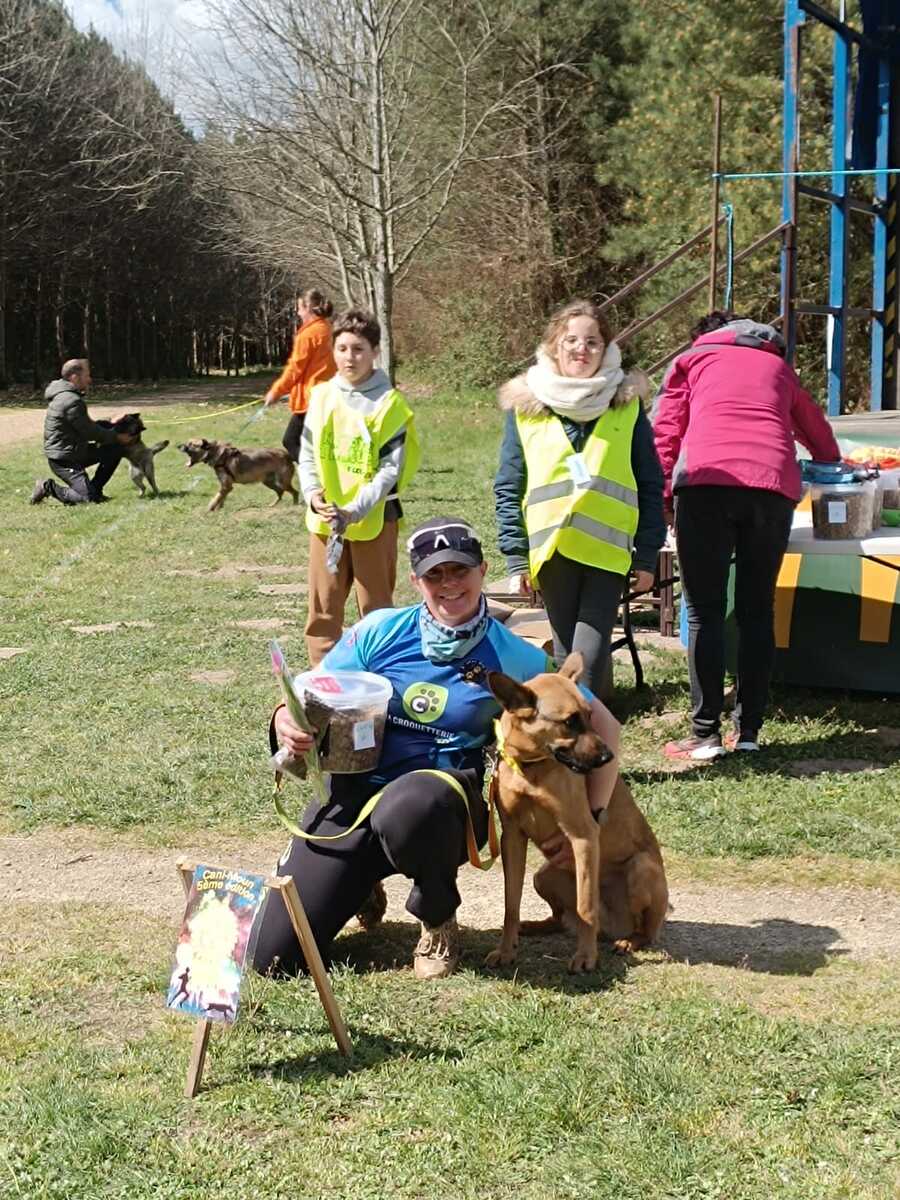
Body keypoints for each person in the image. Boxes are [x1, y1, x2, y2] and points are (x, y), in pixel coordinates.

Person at [253, 516, 622, 981]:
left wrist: (593, 816)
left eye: (460, 570)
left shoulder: (513, 655)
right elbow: (312, 690)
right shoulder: (381, 630)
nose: (449, 584)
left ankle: (437, 916)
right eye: (434, 574)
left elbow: (603, 725)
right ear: (415, 581)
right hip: (356, 793)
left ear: (482, 571)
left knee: (413, 804)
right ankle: (362, 882)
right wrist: (285, 718)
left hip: (439, 802)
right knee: (271, 957)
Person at [652, 311, 842, 760]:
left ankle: (704, 734)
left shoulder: (691, 360)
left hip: (705, 485)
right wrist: (832, 462)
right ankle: (750, 731)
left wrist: (662, 497)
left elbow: (665, 431)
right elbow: (817, 431)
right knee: (758, 611)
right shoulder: (777, 367)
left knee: (704, 612)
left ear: (706, 337)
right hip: (770, 489)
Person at [494, 299, 666, 698]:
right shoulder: (525, 408)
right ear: (554, 345)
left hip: (608, 553)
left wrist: (646, 556)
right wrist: (516, 557)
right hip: (553, 554)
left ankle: (587, 729)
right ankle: (590, 718)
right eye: (570, 340)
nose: (581, 349)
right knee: (567, 651)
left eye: (592, 341)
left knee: (586, 653)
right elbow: (509, 485)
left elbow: (649, 483)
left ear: (606, 349)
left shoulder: (626, 405)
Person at [299, 308, 420, 666]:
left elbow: (389, 470)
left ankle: (378, 684)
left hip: (373, 521)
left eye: (358, 349)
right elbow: (307, 452)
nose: (349, 358)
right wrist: (312, 494)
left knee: (376, 612)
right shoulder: (321, 396)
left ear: (374, 352)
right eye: (342, 349)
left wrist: (354, 510)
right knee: (323, 609)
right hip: (326, 523)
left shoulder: (390, 404)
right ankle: (322, 681)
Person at [30, 359, 136, 506]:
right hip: (63, 459)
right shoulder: (70, 400)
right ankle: (47, 487)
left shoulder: (67, 396)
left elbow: (85, 425)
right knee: (87, 499)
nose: (89, 380)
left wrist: (110, 422)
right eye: (87, 376)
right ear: (75, 377)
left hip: (75, 451)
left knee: (115, 449)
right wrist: (117, 436)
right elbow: (90, 432)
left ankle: (96, 491)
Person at [263, 288, 336, 462]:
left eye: (299, 308)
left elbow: (295, 368)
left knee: (291, 441)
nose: (297, 312)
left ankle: (317, 475)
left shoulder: (309, 334)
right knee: (316, 443)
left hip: (312, 398)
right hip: (328, 395)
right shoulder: (328, 328)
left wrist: (276, 392)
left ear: (308, 307)